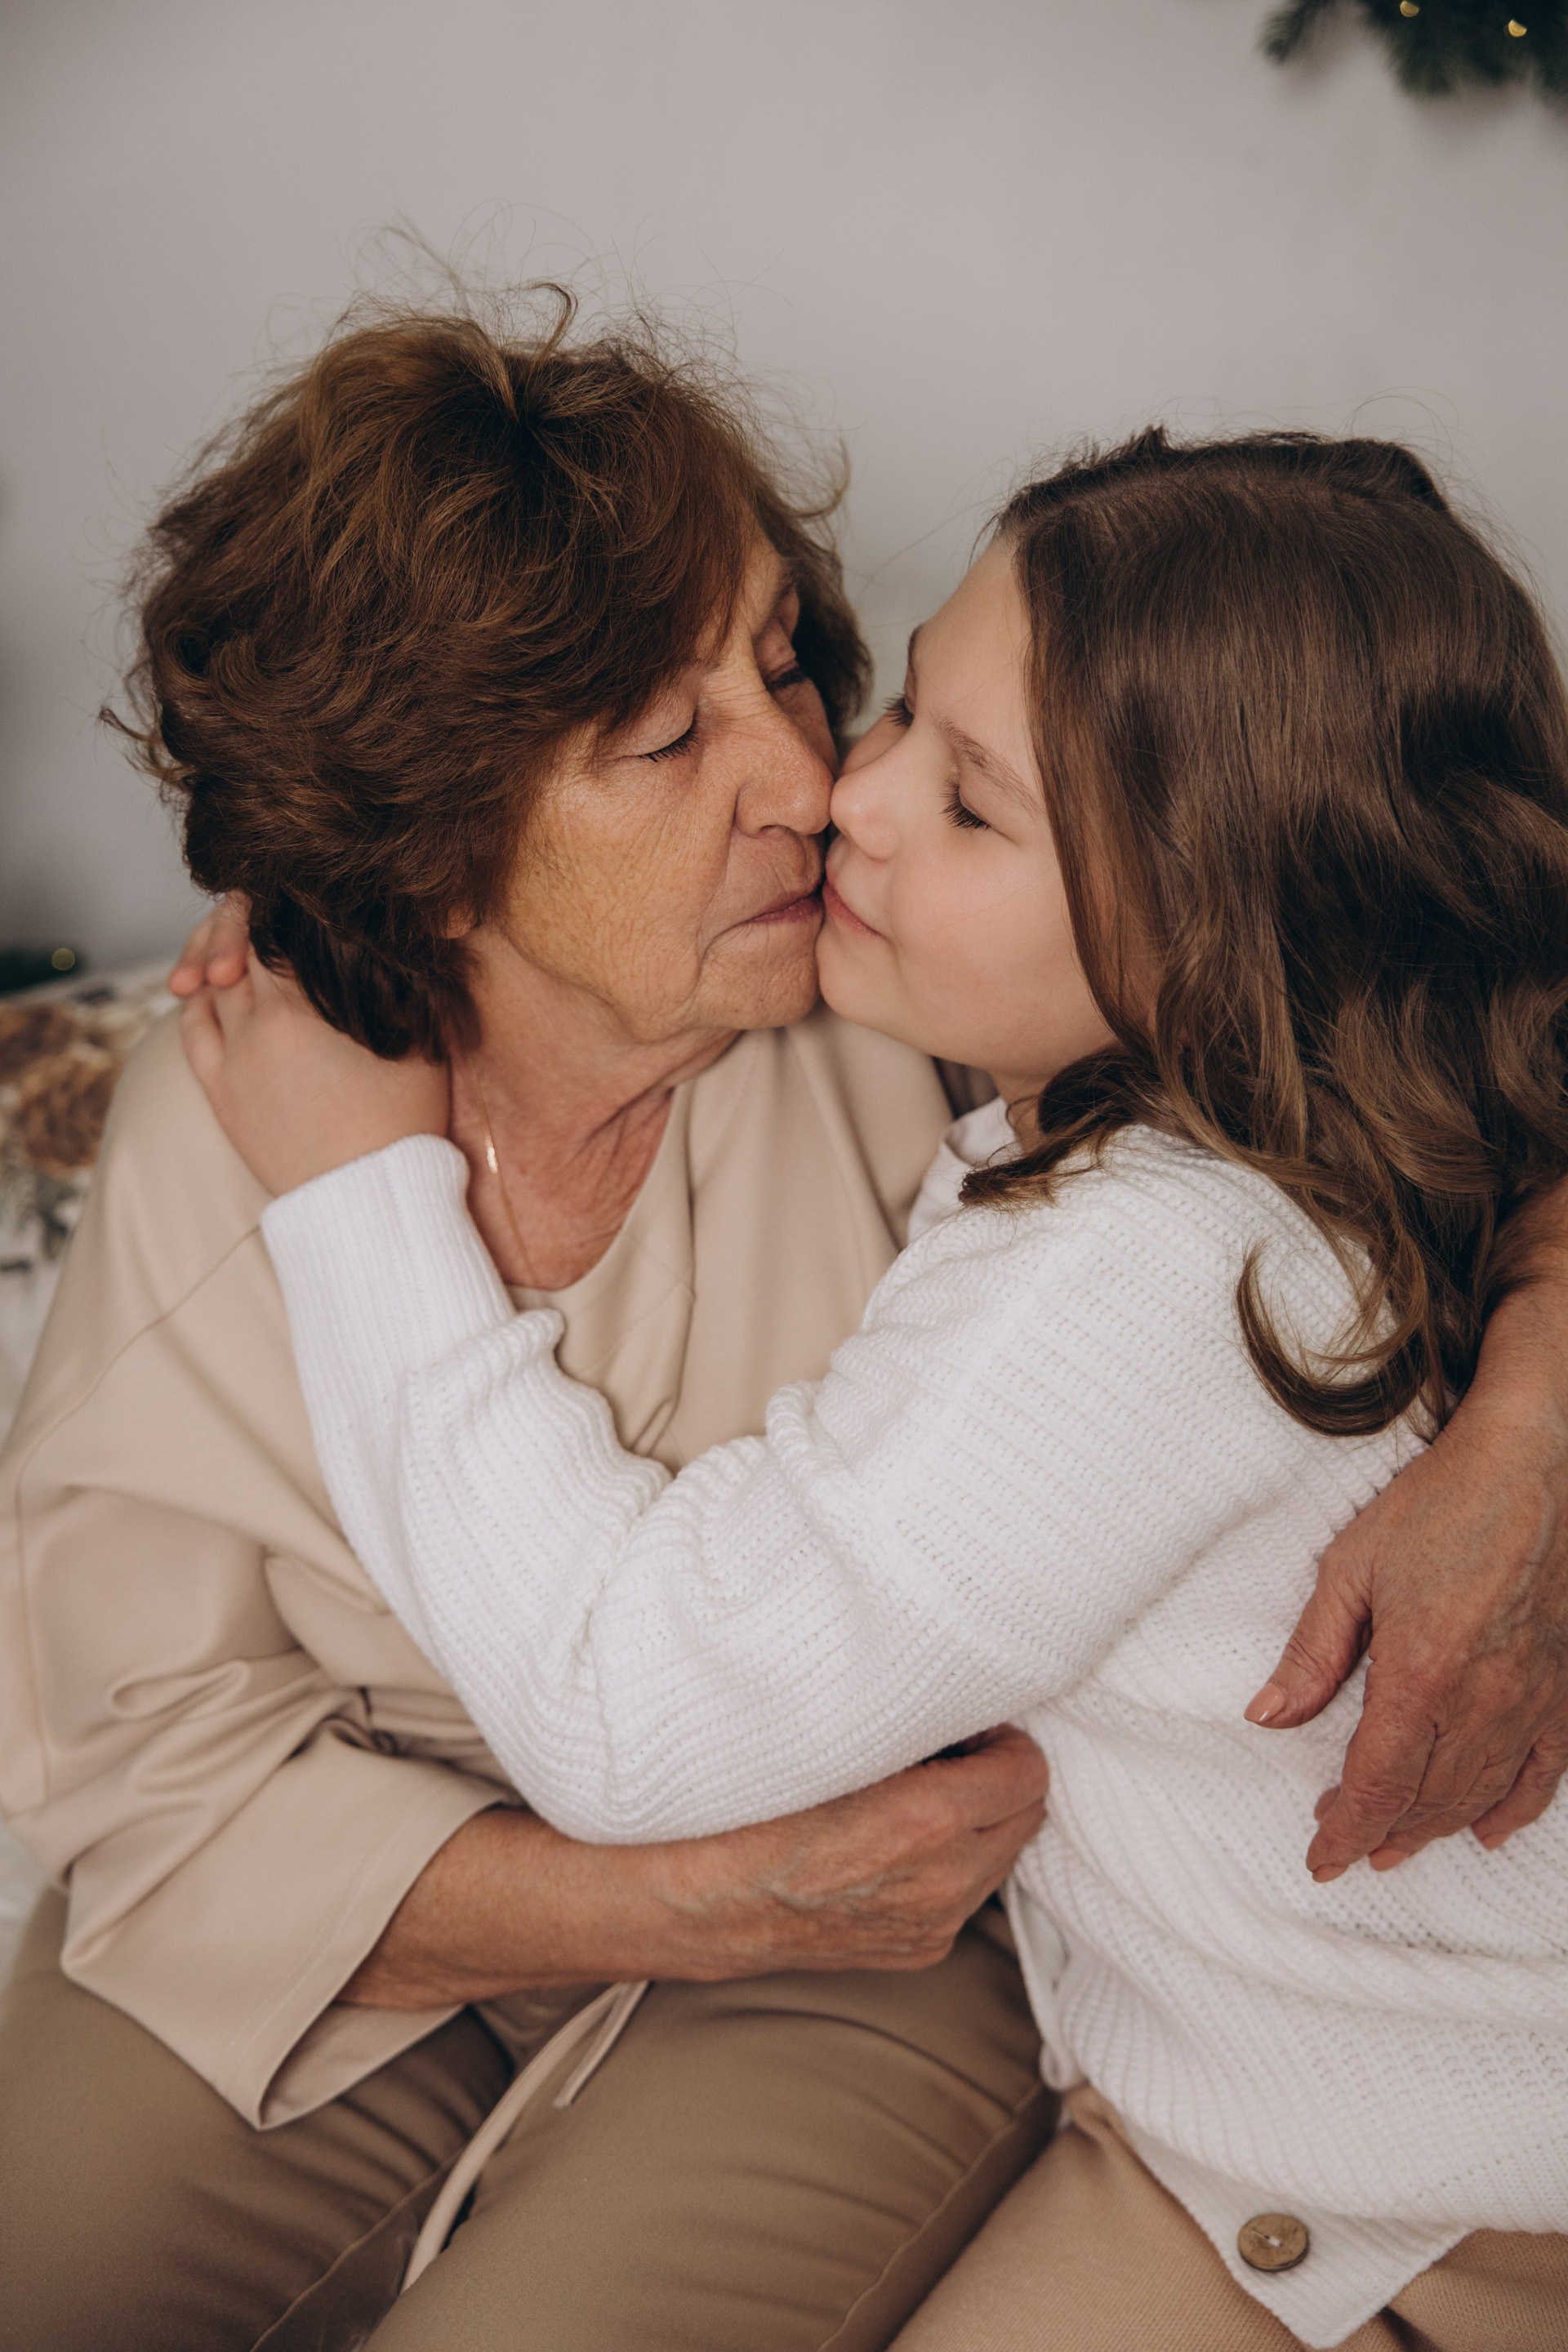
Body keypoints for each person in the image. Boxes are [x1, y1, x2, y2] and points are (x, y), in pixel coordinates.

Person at [0, 301, 1564, 2352]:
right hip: (394, 1898)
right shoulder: (255, 1101)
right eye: (668, 741)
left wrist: (1534, 1419)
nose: (819, 785)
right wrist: (673, 1899)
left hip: (967, 1951)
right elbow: (148, 1762)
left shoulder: (976, 1024)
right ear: (430, 842)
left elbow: (1456, 993)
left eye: (785, 667)